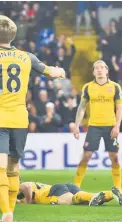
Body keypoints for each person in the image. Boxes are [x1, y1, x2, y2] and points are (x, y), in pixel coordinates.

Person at [0, 15, 65, 222]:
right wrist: (61, 71)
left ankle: (6, 212)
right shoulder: (26, 56)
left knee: (0, 168)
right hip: (20, 119)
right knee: (13, 168)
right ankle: (10, 211)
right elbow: (51, 72)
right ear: (13, 35)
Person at [72, 60, 122, 194]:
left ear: (106, 70)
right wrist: (77, 125)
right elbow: (82, 107)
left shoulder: (115, 87)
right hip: (94, 126)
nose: (99, 70)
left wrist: (117, 126)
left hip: (111, 126)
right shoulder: (88, 87)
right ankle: (76, 186)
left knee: (114, 157)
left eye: (102, 67)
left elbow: (119, 108)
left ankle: (118, 187)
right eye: (97, 68)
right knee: (86, 155)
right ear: (93, 72)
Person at [17, 182, 122, 206]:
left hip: (53, 192)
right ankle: (112, 194)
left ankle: (95, 197)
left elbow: (26, 186)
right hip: (62, 187)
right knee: (87, 198)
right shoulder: (16, 198)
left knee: (72, 200)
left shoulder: (19, 187)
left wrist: (29, 201)